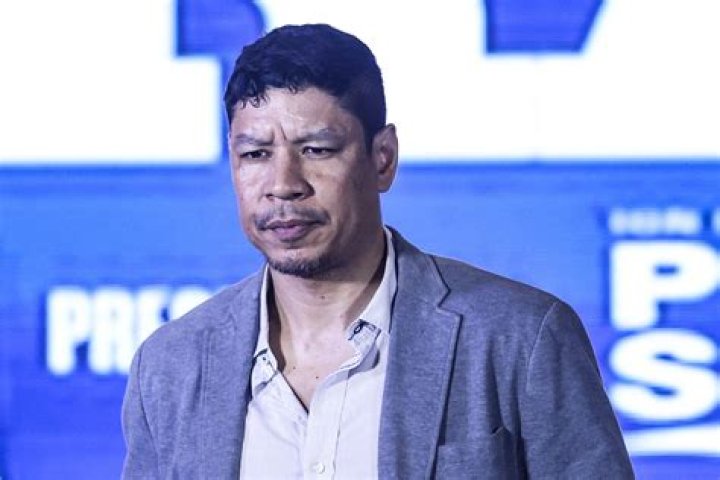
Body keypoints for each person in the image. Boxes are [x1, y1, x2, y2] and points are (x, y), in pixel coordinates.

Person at [121, 23, 634, 479]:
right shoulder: (169, 367)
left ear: (383, 158)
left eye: (316, 150)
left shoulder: (519, 338)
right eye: (255, 154)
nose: (283, 184)